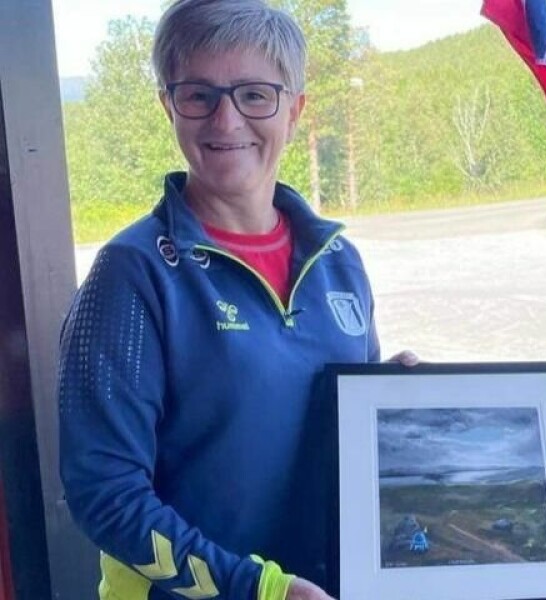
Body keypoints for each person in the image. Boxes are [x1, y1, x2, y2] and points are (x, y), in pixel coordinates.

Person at [57, 1, 404, 598]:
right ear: (169, 106)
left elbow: (343, 440)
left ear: (295, 110)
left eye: (254, 95)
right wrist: (258, 589)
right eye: (199, 95)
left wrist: (400, 402)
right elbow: (104, 494)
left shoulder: (339, 264)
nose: (226, 121)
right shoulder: (134, 273)